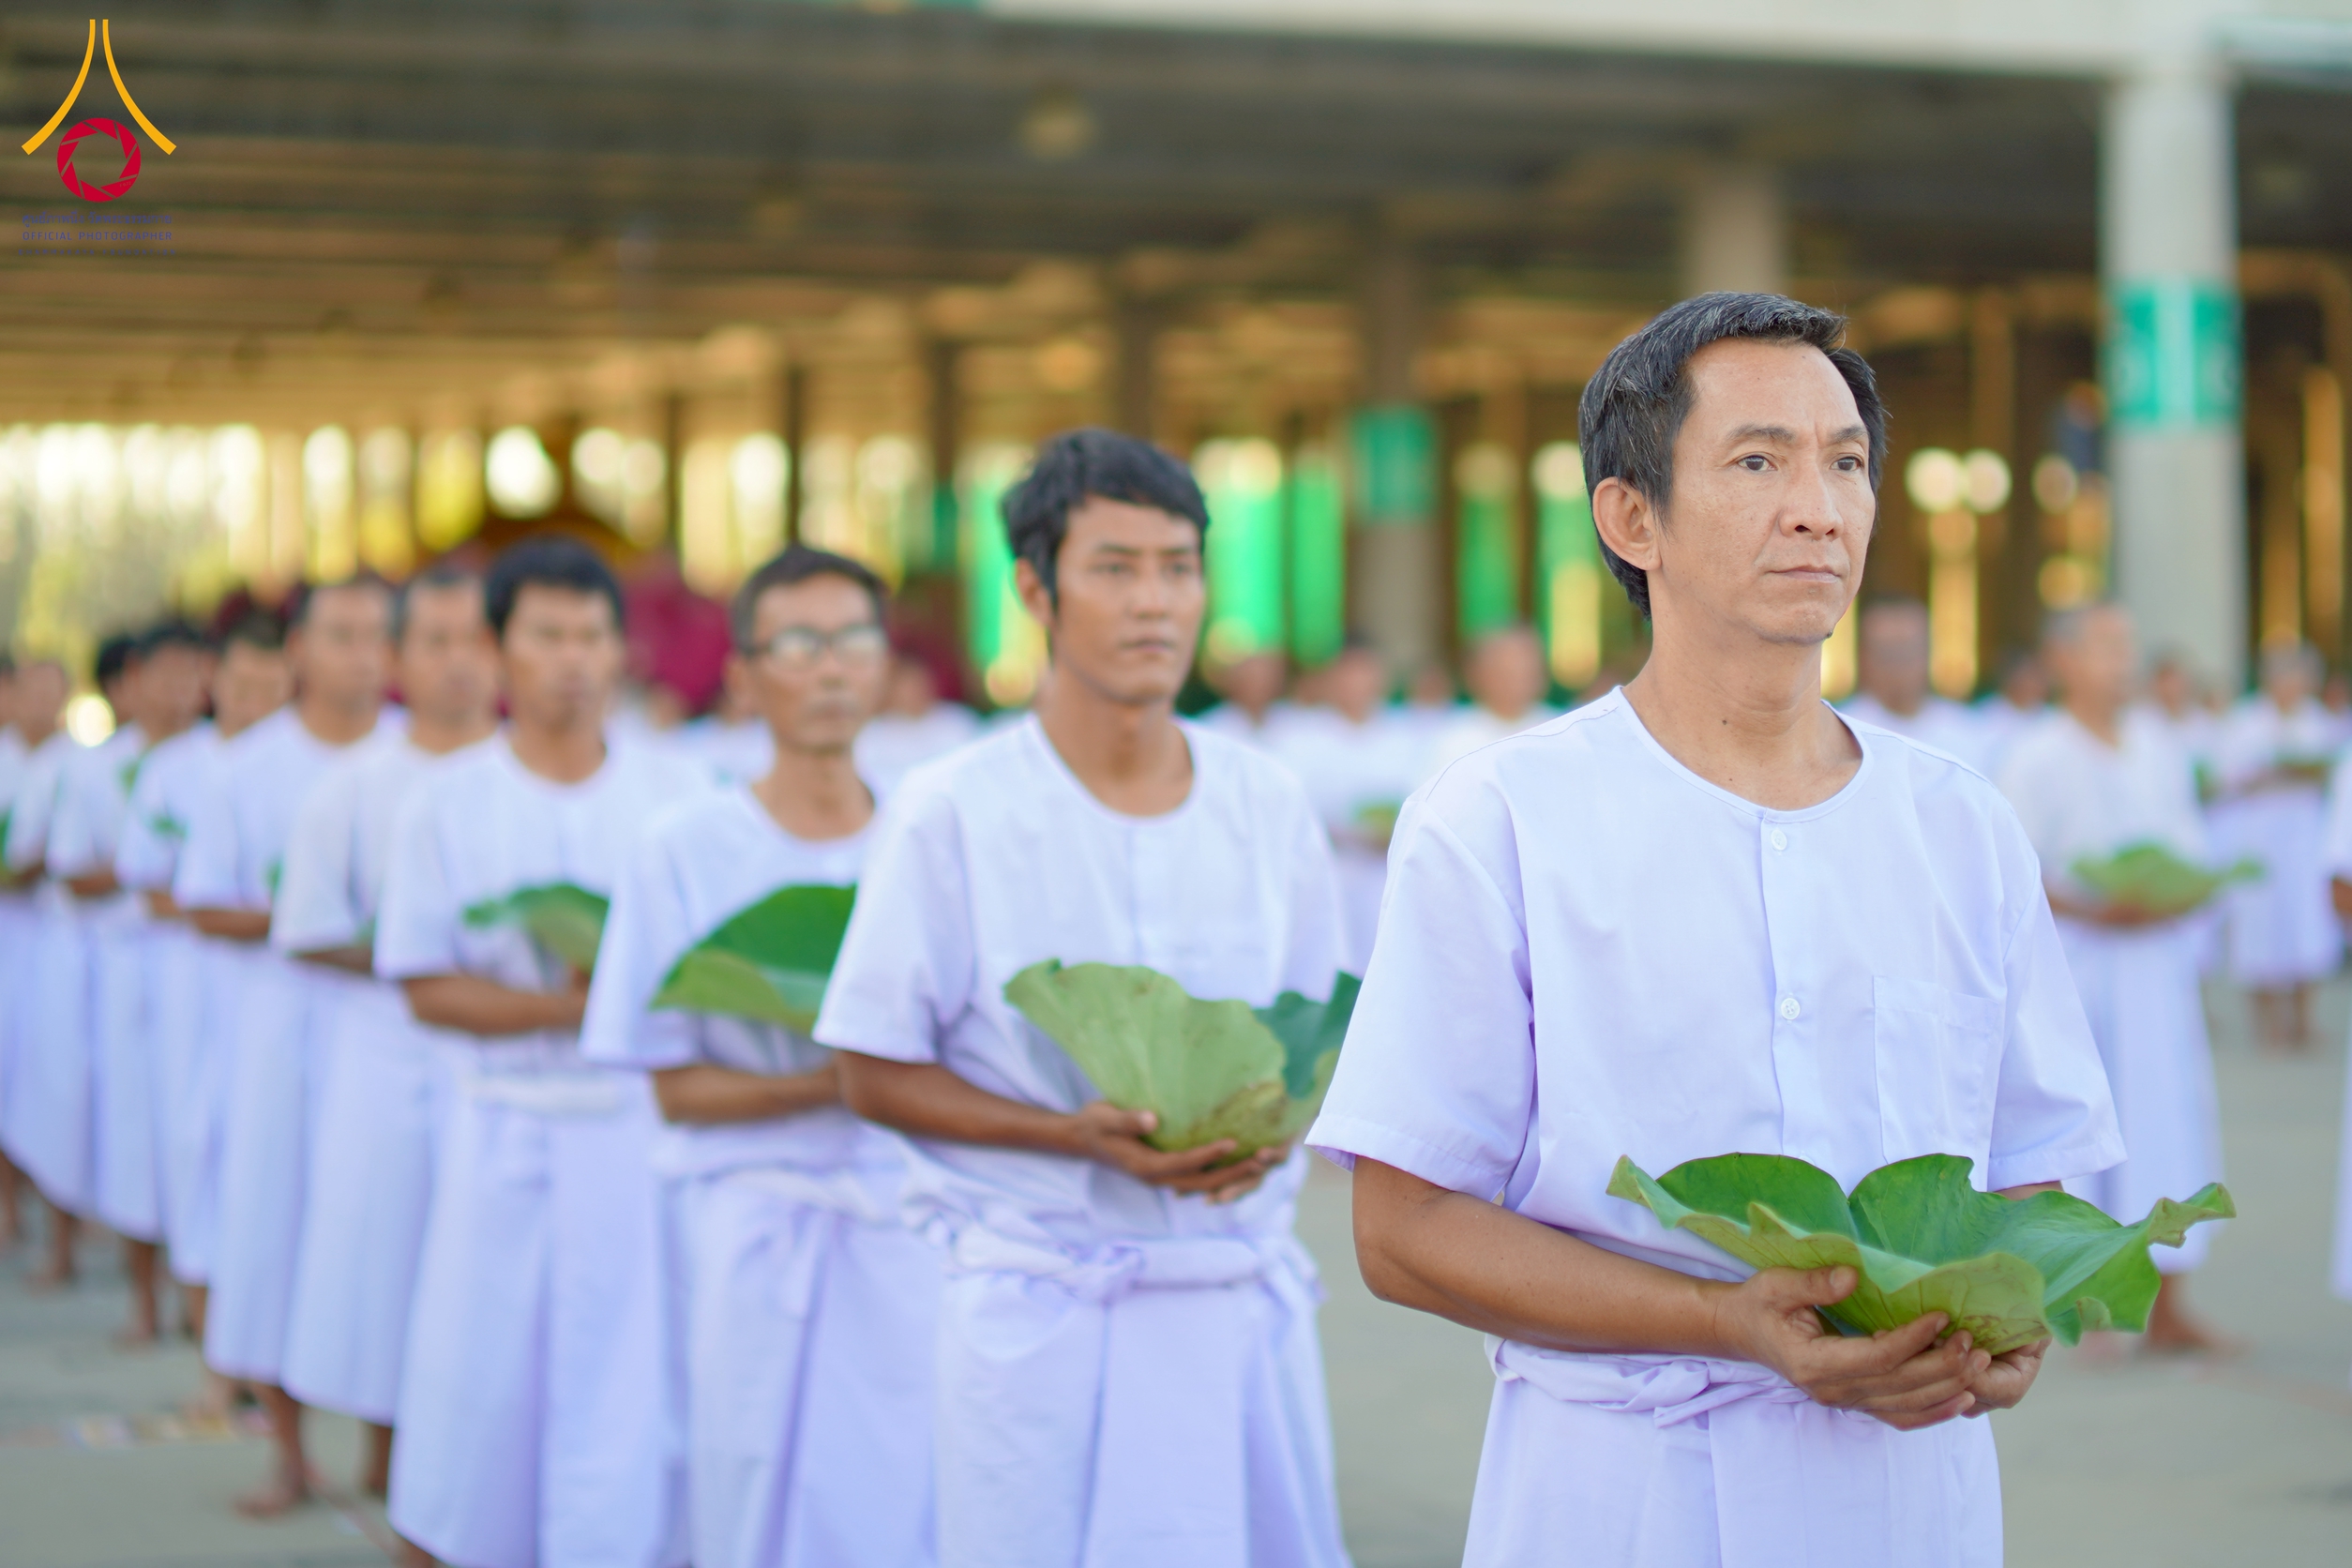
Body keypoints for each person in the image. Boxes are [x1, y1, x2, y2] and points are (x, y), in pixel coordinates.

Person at [1310, 294, 2121, 1568]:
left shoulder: (1963, 827)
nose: (1819, 506)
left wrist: (2006, 1325)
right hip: (1624, 1492)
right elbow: (1403, 1228)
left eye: (1845, 462)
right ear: (1633, 518)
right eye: (1759, 461)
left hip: (1908, 1497)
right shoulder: (1501, 819)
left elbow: (2036, 1176)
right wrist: (1724, 1318)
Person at [818, 427, 1352, 1568]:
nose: (1154, 602)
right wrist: (1071, 1137)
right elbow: (871, 1065)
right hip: (1041, 1311)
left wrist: (1270, 1131)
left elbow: (1317, 1036)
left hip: (1230, 1300)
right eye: (1114, 567)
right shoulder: (950, 808)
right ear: (1033, 587)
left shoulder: (1267, 802)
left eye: (1177, 566)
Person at [584, 545, 942, 1568]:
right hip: (748, 1221)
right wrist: (832, 1082)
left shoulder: (930, 837)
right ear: (742, 675)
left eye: (854, 641)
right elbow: (673, 1086)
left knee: (905, 1491)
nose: (830, 668)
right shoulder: (684, 846)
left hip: (906, 1218)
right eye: (797, 644)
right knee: (751, 1487)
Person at [377, 536, 704, 1568]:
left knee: (634, 1401)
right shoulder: (446, 800)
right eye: (547, 635)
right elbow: (424, 980)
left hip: (639, 1145)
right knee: (479, 1399)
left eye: (591, 635)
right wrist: (563, 1010)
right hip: (502, 1134)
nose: (571, 658)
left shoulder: (682, 795)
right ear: (501, 649)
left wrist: (615, 1007)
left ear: (620, 651)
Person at [267, 565, 498, 1539]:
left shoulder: (525, 782)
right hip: (387, 1059)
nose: (459, 664)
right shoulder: (354, 791)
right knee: (389, 1275)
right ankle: (397, 1482)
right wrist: (425, 960)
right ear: (397, 659)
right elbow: (307, 925)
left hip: (507, 1080)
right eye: (435, 642)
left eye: (475, 640)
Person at [176, 579, 394, 1515]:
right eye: (340, 636)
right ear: (300, 646)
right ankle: (290, 1456)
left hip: (391, 1032)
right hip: (282, 1028)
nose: (360, 655)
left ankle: (390, 1460)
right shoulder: (246, 767)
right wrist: (304, 915)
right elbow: (203, 901)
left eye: (378, 637)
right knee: (276, 1230)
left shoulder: (417, 762)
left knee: (388, 1231)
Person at [1998, 605, 2229, 1353]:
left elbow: (2193, 845)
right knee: (2086, 1136)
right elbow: (2017, 874)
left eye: (2127, 648)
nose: (2122, 665)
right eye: (2105, 649)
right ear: (2064, 661)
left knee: (2169, 1125)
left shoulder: (2158, 745)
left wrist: (2173, 893)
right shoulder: (2036, 756)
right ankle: (2094, 1307)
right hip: (2081, 971)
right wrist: (2100, 904)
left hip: (2157, 971)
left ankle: (2170, 1305)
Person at [115, 615, 291, 1391]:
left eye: (270, 685)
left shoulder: (303, 766)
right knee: (198, 1148)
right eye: (241, 685)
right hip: (198, 987)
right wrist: (270, 917)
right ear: (218, 684)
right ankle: (217, 1355)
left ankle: (275, 1356)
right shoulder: (178, 769)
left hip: (290, 995)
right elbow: (155, 889)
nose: (254, 700)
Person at [50, 624, 211, 1342]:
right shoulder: (93, 769)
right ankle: (143, 1299)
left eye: (192, 673)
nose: (180, 689)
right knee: (133, 1136)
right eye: (166, 674)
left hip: (200, 967)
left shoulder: (220, 759)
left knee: (194, 1134)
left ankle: (196, 1303)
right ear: (131, 682)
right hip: (125, 969)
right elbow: (72, 872)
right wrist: (140, 869)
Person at [2209, 642, 2341, 1051]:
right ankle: (2267, 1026)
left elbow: (2333, 776)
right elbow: (2223, 782)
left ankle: (2303, 1022)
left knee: (2306, 924)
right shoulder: (2245, 722)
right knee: (2261, 926)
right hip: (2261, 838)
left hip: (2304, 839)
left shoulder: (2319, 722)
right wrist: (2272, 773)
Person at [0, 655, 83, 1286]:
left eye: (50, 689)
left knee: (53, 1081)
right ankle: (7, 1212)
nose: (37, 700)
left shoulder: (81, 766)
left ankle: (62, 1240)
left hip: (54, 943)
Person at [1274, 638, 1425, 973]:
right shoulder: (1298, 737)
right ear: (1330, 679)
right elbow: (1287, 811)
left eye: (1366, 674)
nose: (1358, 685)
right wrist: (1344, 833)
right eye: (1348, 674)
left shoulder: (1407, 736)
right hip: (1330, 879)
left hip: (1388, 879)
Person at [1839, 597, 1989, 768]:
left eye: (1908, 652)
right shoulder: (1842, 734)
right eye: (1888, 654)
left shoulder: (1968, 730)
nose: (1899, 667)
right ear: (1863, 658)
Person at [1422, 624, 1560, 779]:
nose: (1520, 674)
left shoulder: (1559, 729)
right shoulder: (1455, 740)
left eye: (1527, 666)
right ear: (1479, 674)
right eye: (1508, 670)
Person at [854, 649, 982, 792]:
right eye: (906, 684)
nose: (912, 691)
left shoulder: (958, 722)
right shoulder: (873, 735)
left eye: (918, 682)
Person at [1196, 647, 1298, 749]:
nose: (1261, 685)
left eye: (1266, 677)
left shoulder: (1294, 720)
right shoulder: (1212, 726)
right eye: (1254, 677)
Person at [1971, 650, 2050, 776]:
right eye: (2026, 676)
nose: (2031, 683)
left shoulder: (2051, 718)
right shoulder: (1987, 714)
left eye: (2036, 677)